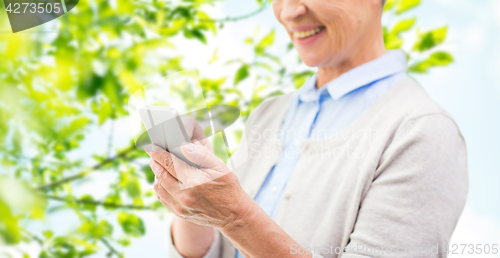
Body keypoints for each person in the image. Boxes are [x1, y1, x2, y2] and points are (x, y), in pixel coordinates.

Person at [145, 0, 468, 257]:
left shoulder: (423, 132)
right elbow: (216, 251)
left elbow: (237, 221)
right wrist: (191, 189)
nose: (288, 11)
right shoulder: (269, 114)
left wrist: (235, 215)